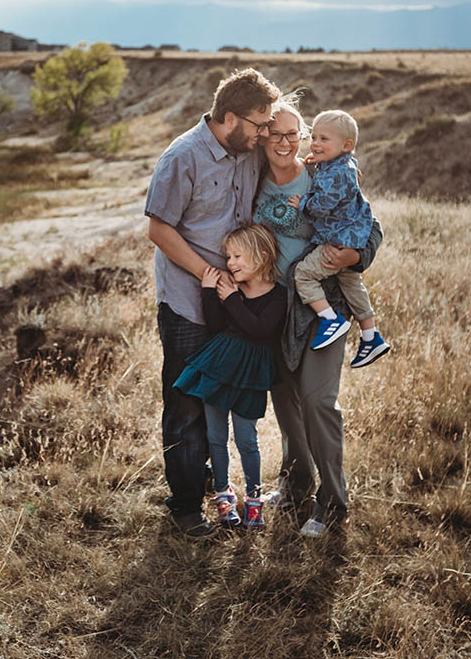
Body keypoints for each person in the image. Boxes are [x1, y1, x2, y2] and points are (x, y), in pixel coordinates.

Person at [145, 68, 281, 539]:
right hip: (187, 301)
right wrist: (206, 274)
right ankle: (184, 508)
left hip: (235, 303)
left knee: (218, 400)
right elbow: (159, 230)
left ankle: (206, 477)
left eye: (267, 126)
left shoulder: (246, 149)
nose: (264, 133)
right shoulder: (182, 157)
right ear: (228, 116)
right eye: (259, 124)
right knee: (184, 404)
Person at [252, 97, 383, 538]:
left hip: (323, 305)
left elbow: (369, 224)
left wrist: (358, 253)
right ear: (262, 137)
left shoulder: (325, 173)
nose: (285, 141)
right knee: (286, 403)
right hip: (271, 306)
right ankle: (295, 485)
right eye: (275, 133)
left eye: (294, 132)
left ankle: (332, 501)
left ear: (304, 135)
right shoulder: (249, 180)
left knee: (317, 400)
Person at [173, 224, 286, 529]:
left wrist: (233, 299)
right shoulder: (229, 288)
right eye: (228, 256)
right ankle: (223, 495)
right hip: (219, 367)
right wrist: (211, 292)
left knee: (247, 440)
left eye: (237, 256)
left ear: (262, 256)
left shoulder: (278, 295)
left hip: (251, 373)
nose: (230, 262)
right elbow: (216, 325)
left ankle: (253, 499)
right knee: (216, 437)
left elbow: (260, 329)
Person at [289, 109, 390, 368]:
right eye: (313, 137)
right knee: (351, 283)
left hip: (337, 240)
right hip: (351, 235)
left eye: (324, 139)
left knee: (304, 274)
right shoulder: (344, 164)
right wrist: (320, 160)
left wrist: (303, 203)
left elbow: (322, 205)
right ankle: (371, 335)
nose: (315, 143)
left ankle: (329, 318)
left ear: (346, 145)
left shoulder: (337, 173)